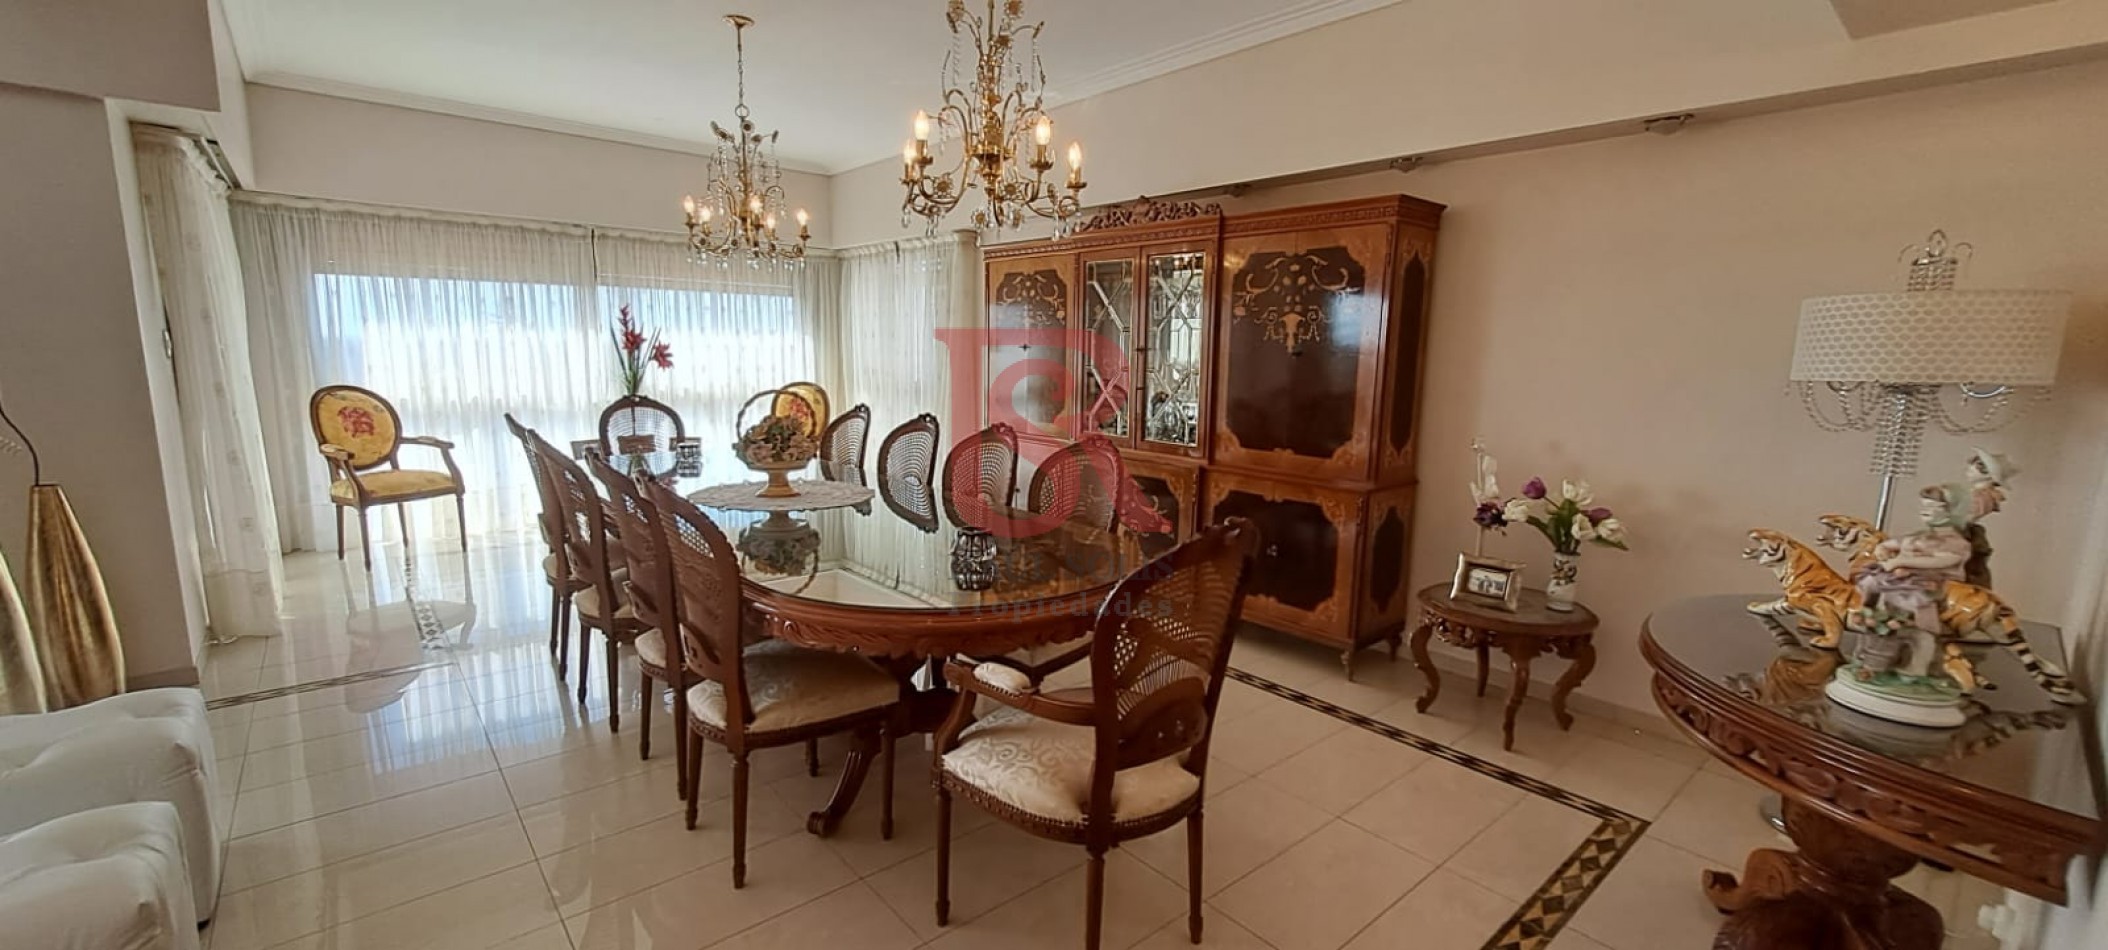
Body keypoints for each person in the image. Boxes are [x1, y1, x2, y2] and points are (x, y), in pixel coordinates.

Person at [1855, 486, 1972, 635]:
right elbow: (1890, 544)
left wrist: (1901, 561)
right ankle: (1868, 613)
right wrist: (1882, 550)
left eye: (1933, 506)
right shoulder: (1919, 536)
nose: (1925, 509)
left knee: (1916, 598)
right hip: (1900, 577)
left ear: (1952, 511)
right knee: (1870, 581)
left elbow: (1943, 561)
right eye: (1924, 505)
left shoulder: (1955, 542)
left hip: (1928, 581)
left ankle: (1928, 631)